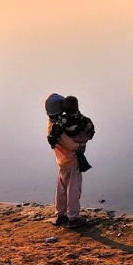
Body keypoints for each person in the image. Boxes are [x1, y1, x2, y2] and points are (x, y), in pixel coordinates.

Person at [45, 93, 94, 229]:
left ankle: (60, 214)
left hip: (61, 162)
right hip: (72, 162)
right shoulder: (61, 127)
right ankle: (72, 218)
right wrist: (82, 142)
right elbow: (71, 145)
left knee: (61, 188)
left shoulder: (52, 124)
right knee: (73, 189)